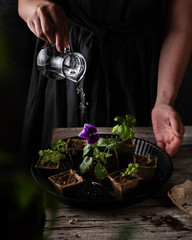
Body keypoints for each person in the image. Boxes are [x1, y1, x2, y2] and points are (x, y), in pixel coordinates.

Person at [18, 0, 191, 158]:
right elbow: (24, 4)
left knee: (134, 163)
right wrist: (35, 9)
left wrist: (164, 101)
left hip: (139, 73)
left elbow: (180, 26)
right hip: (67, 58)